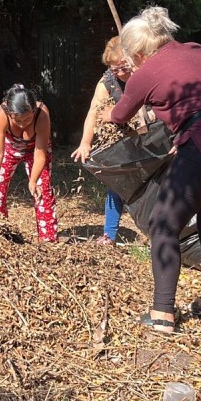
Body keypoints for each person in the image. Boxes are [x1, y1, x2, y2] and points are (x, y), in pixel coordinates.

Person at [101, 6, 201, 334]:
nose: (132, 65)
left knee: (163, 225)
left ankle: (162, 314)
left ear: (141, 52)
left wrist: (105, 116)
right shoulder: (200, 51)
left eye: (132, 59)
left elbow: (119, 116)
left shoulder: (146, 72)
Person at [71, 36, 135, 246]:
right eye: (114, 69)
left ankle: (161, 233)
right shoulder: (107, 81)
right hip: (122, 139)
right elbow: (94, 112)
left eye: (123, 68)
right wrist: (85, 143)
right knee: (115, 183)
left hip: (150, 137)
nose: (120, 73)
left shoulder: (142, 73)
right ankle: (109, 235)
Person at [0, 84, 58, 242]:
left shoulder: (42, 114)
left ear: (34, 111)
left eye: (27, 119)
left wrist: (32, 180)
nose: (23, 124)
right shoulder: (2, 114)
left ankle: (48, 241)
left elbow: (40, 152)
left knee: (41, 189)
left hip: (36, 151)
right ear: (10, 113)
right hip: (10, 149)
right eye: (18, 120)